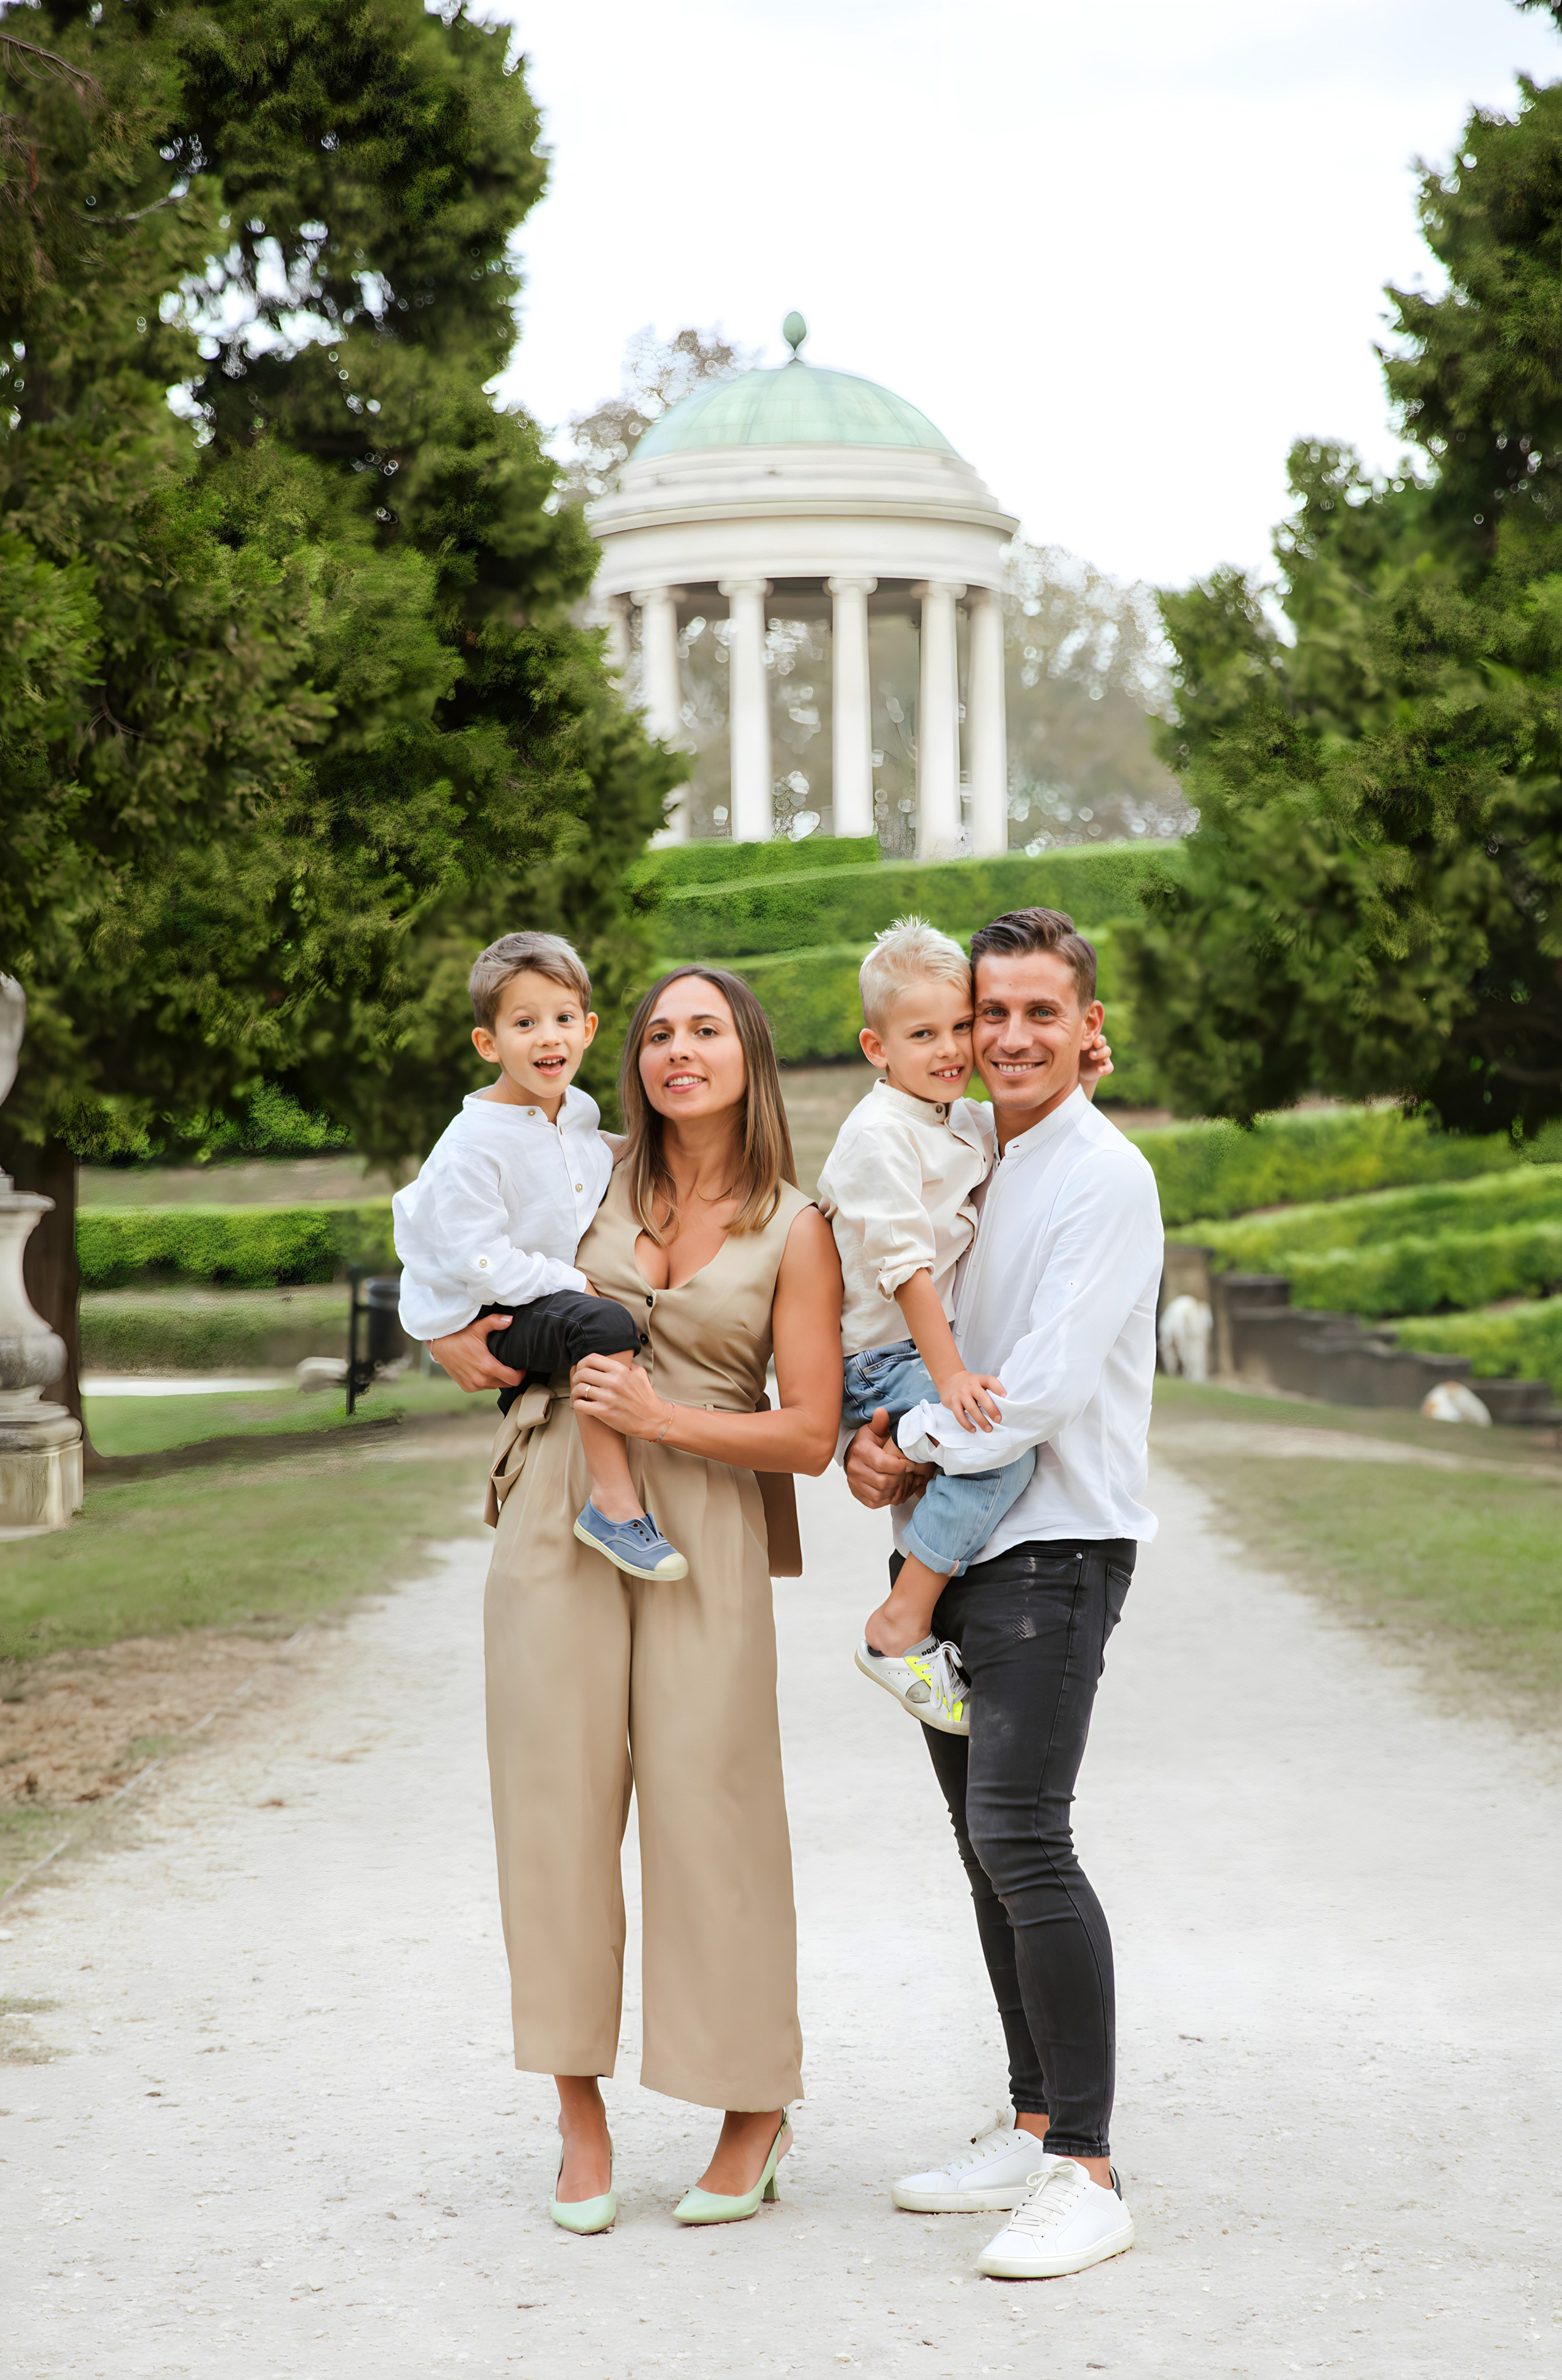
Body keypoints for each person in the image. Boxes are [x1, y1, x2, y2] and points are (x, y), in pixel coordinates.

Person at [431, 965, 842, 2234]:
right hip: (554, 1495)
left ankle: (753, 2106)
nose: (678, 1050)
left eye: (705, 1029)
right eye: (659, 1032)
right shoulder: (581, 1172)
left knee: (714, 1804)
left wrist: (663, 1418)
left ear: (748, 1054)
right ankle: (578, 2114)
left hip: (706, 1516)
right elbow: (455, 1292)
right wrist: (464, 1340)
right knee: (551, 1802)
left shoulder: (798, 1226)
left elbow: (811, 1434)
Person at [843, 905, 1162, 2282]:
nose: (1012, 1036)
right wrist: (880, 1443)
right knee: (985, 1848)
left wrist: (902, 1444)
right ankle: (1033, 2122)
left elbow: (1033, 1390)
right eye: (993, 1013)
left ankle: (1084, 2168)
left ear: (1088, 1028)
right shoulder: (974, 1149)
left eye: (1044, 1012)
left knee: (1025, 1837)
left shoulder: (1105, 1176)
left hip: (1057, 1547)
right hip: (958, 1544)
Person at [818, 916, 1110, 1736]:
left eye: (958, 1026)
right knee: (994, 1448)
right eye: (923, 1035)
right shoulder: (878, 1135)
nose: (950, 1049)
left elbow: (1031, 1149)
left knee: (983, 1442)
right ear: (876, 1048)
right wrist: (947, 1377)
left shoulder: (954, 1116)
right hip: (884, 1357)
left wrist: (1082, 1084)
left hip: (918, 1348)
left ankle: (922, 1603)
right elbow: (904, 1270)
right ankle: (898, 1623)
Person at [394, 930, 687, 1581]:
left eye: (562, 1019)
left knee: (595, 1322)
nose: (548, 1038)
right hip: (493, 1309)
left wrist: (652, 1149)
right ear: (488, 1043)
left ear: (588, 1029)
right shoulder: (472, 1144)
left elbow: (587, 1152)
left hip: (533, 1300)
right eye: (525, 1023)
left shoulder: (574, 1111)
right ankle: (612, 1503)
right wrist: (575, 1282)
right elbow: (481, 1261)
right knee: (602, 1322)